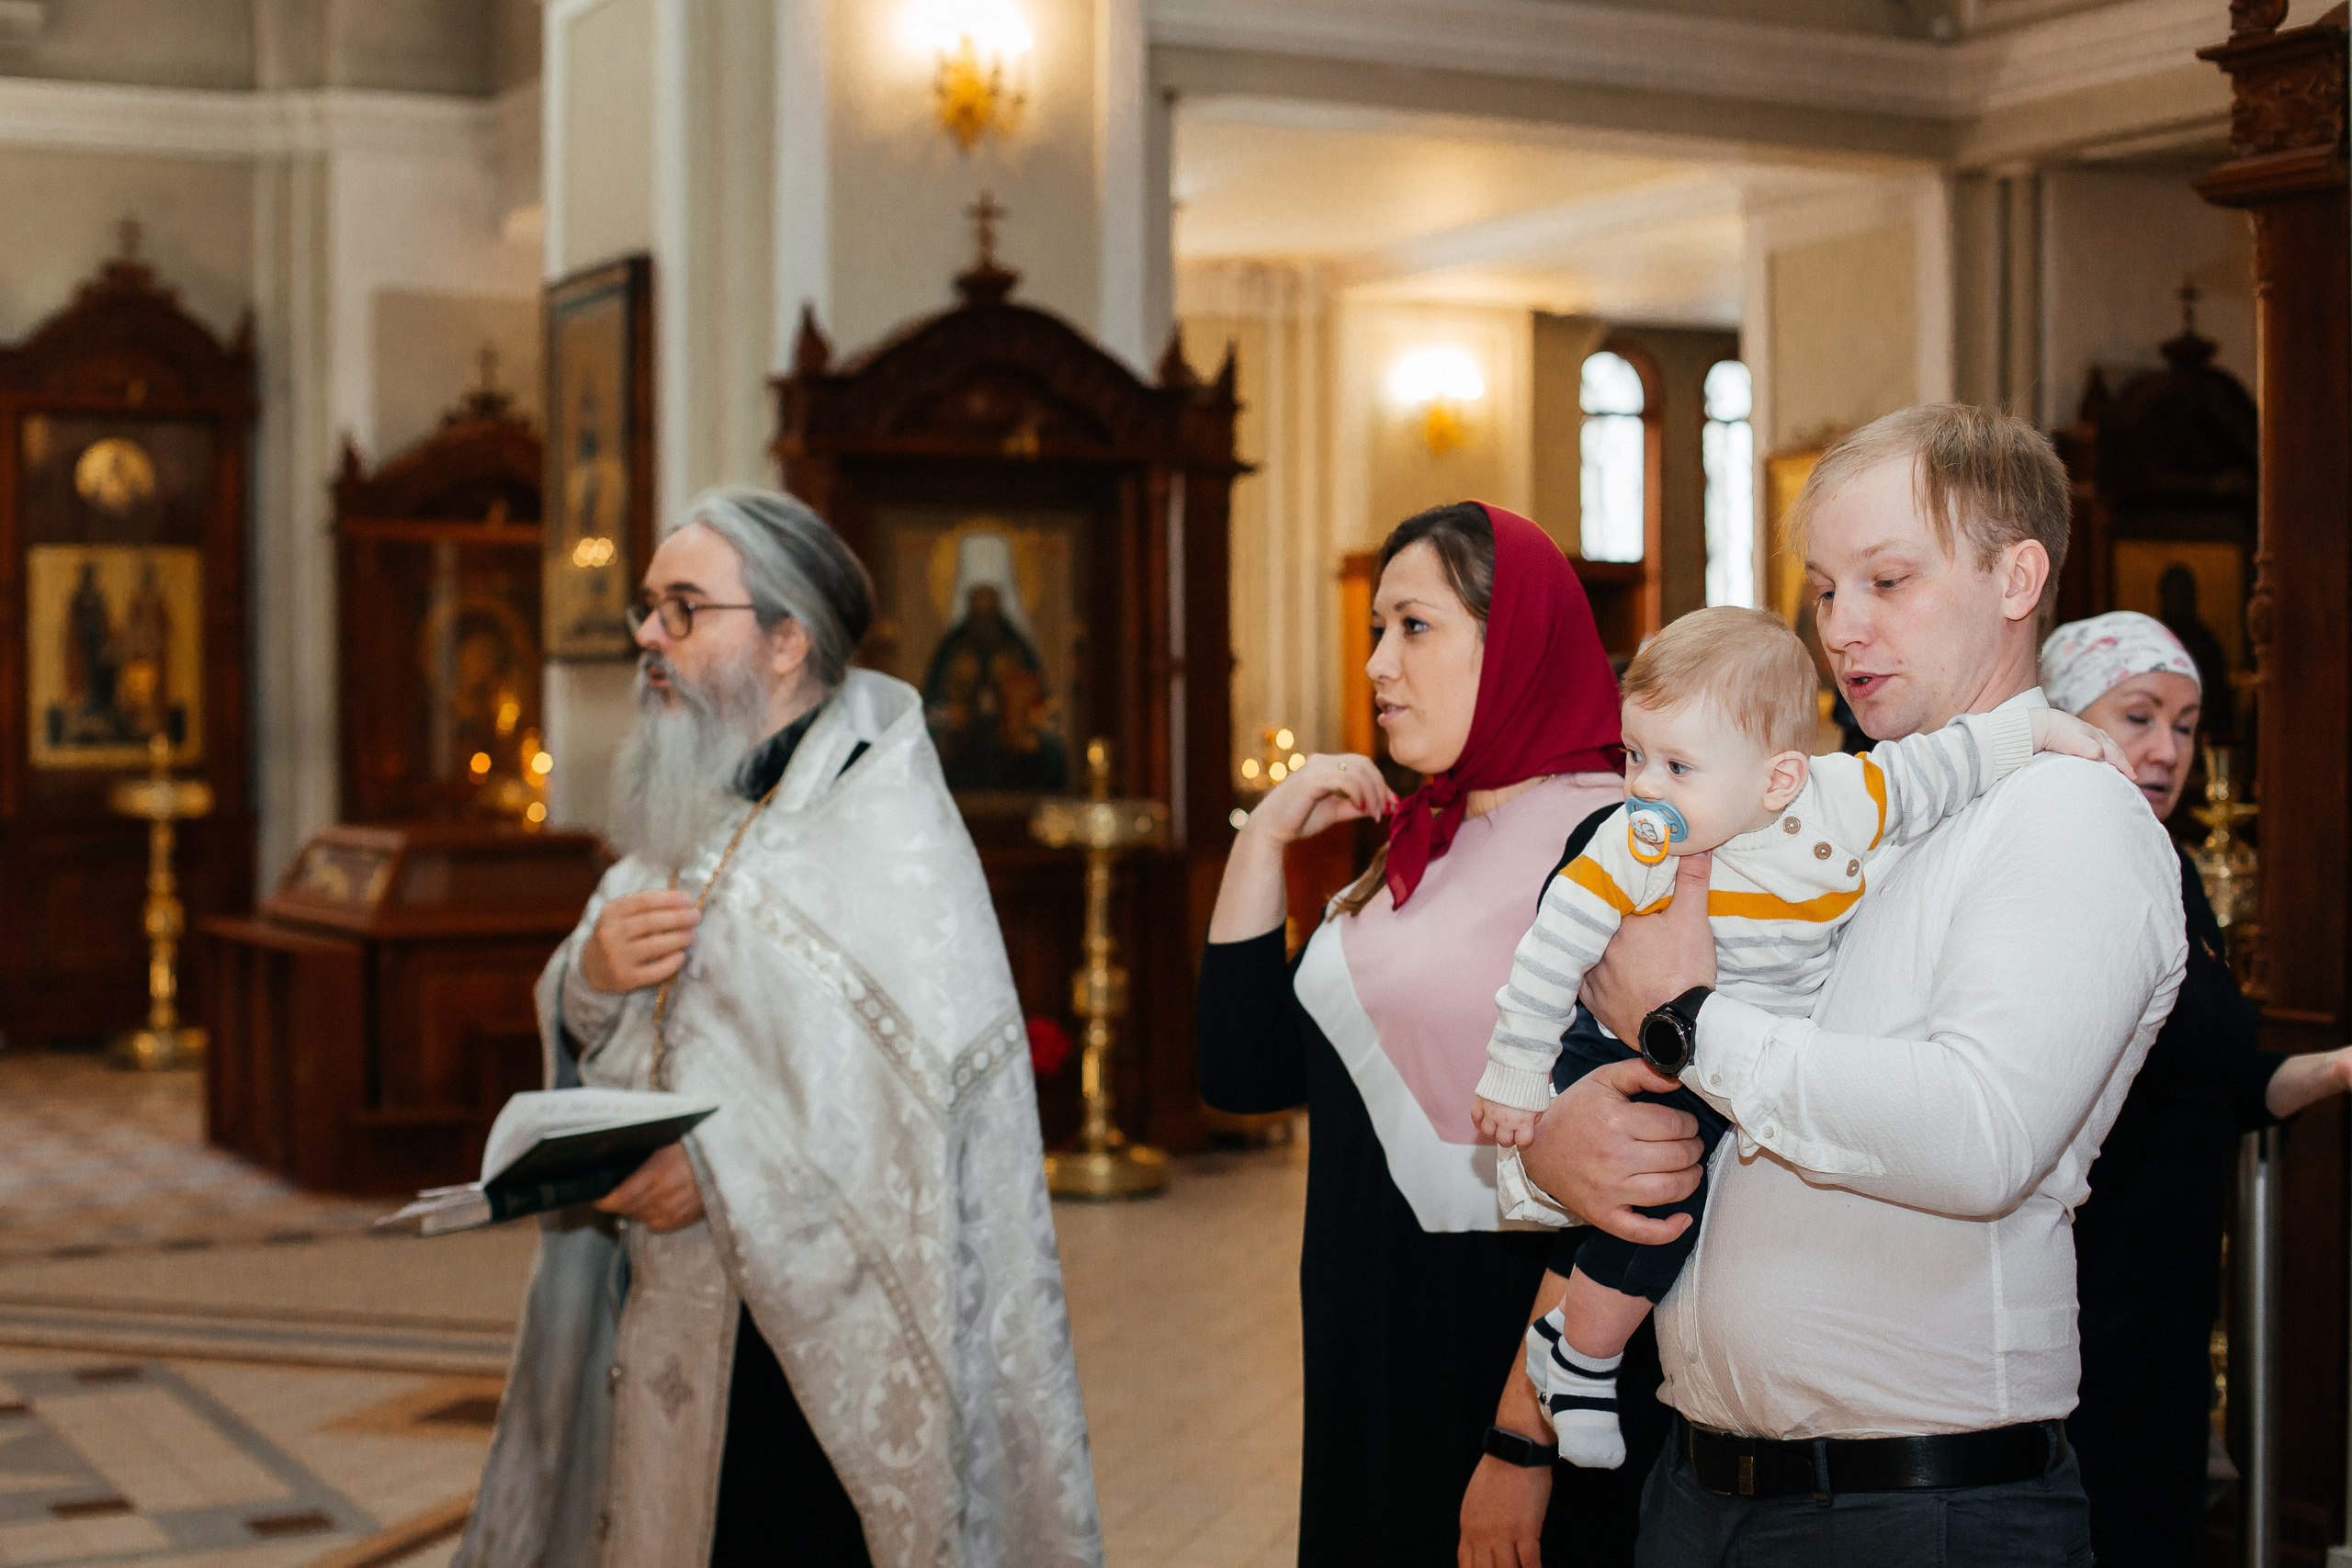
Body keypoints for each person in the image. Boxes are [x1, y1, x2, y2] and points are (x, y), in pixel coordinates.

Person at [1517, 404, 2188, 1566]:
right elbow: (1662, 1080)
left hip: (1917, 1506)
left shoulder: (2064, 817)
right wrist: (1555, 1151)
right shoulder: (1822, 808)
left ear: (2017, 574)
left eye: (1888, 579)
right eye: (1825, 590)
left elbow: (1979, 1138)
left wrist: (1685, 1025)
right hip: (1702, 1480)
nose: (1843, 628)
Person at [456, 488, 1102, 1568]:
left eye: (683, 609)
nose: (648, 639)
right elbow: (601, 1020)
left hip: (817, 1365)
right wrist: (590, 974)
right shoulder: (685, 803)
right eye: (647, 610)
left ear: (788, 637)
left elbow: (908, 1125)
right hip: (667, 1320)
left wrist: (711, 1173)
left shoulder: (884, 830)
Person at [1469, 607, 2124, 1470]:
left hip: (1710, 1043)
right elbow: (1552, 948)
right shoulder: (1637, 841)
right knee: (1657, 1195)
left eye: (1676, 765)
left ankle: (1574, 1352)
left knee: (1666, 1199)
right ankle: (1583, 1361)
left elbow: (1944, 763)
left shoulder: (1844, 802)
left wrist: (2035, 730)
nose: (1643, 788)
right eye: (1633, 756)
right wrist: (1518, 1076)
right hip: (1623, 1046)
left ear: (1779, 779)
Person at [1196, 502, 1653, 1567]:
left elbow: (1640, 1174)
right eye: (1374, 631)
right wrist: (1264, 841)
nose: (1376, 666)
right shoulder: (1419, 838)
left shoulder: (1609, 842)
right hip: (1371, 1347)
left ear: (1516, 643)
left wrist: (1520, 1440)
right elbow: (1244, 1069)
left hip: (1499, 1354)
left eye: (1414, 627)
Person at [2041, 610, 2352, 1568]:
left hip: (2163, 1295)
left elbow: (2220, 1074)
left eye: (2184, 725)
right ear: (2065, 717)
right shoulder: (2061, 858)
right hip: (2086, 1299)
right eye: (2138, 716)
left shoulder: (2162, 860)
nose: (2165, 749)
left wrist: (2338, 1069)